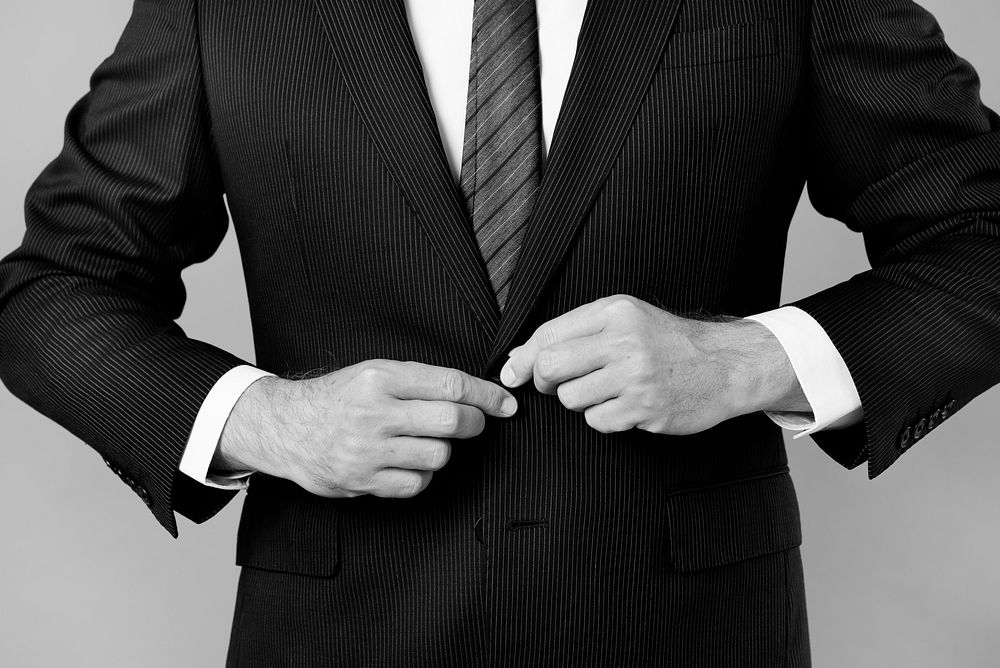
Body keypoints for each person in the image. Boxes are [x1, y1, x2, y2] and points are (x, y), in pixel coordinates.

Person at [1, 0, 998, 665]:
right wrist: (267, 418)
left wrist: (748, 359)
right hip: (342, 634)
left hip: (685, 631)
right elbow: (51, 288)